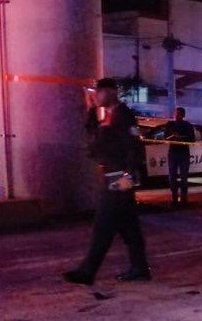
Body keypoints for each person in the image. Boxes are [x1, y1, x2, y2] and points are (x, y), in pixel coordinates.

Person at [64, 78, 151, 285]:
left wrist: (129, 176)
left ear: (111, 92)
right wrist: (91, 111)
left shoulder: (124, 116)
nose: (96, 96)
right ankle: (139, 268)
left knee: (103, 225)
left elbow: (134, 148)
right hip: (112, 175)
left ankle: (87, 271)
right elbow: (93, 143)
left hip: (118, 178)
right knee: (129, 227)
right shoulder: (108, 118)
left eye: (99, 92)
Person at [164, 106, 196, 207]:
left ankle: (183, 199)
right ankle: (174, 198)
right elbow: (165, 137)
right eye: (176, 113)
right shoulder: (170, 124)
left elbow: (192, 139)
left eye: (179, 114)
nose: (177, 115)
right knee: (172, 177)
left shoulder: (187, 125)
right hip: (174, 152)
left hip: (183, 153)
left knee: (183, 177)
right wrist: (172, 136)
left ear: (183, 115)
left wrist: (181, 138)